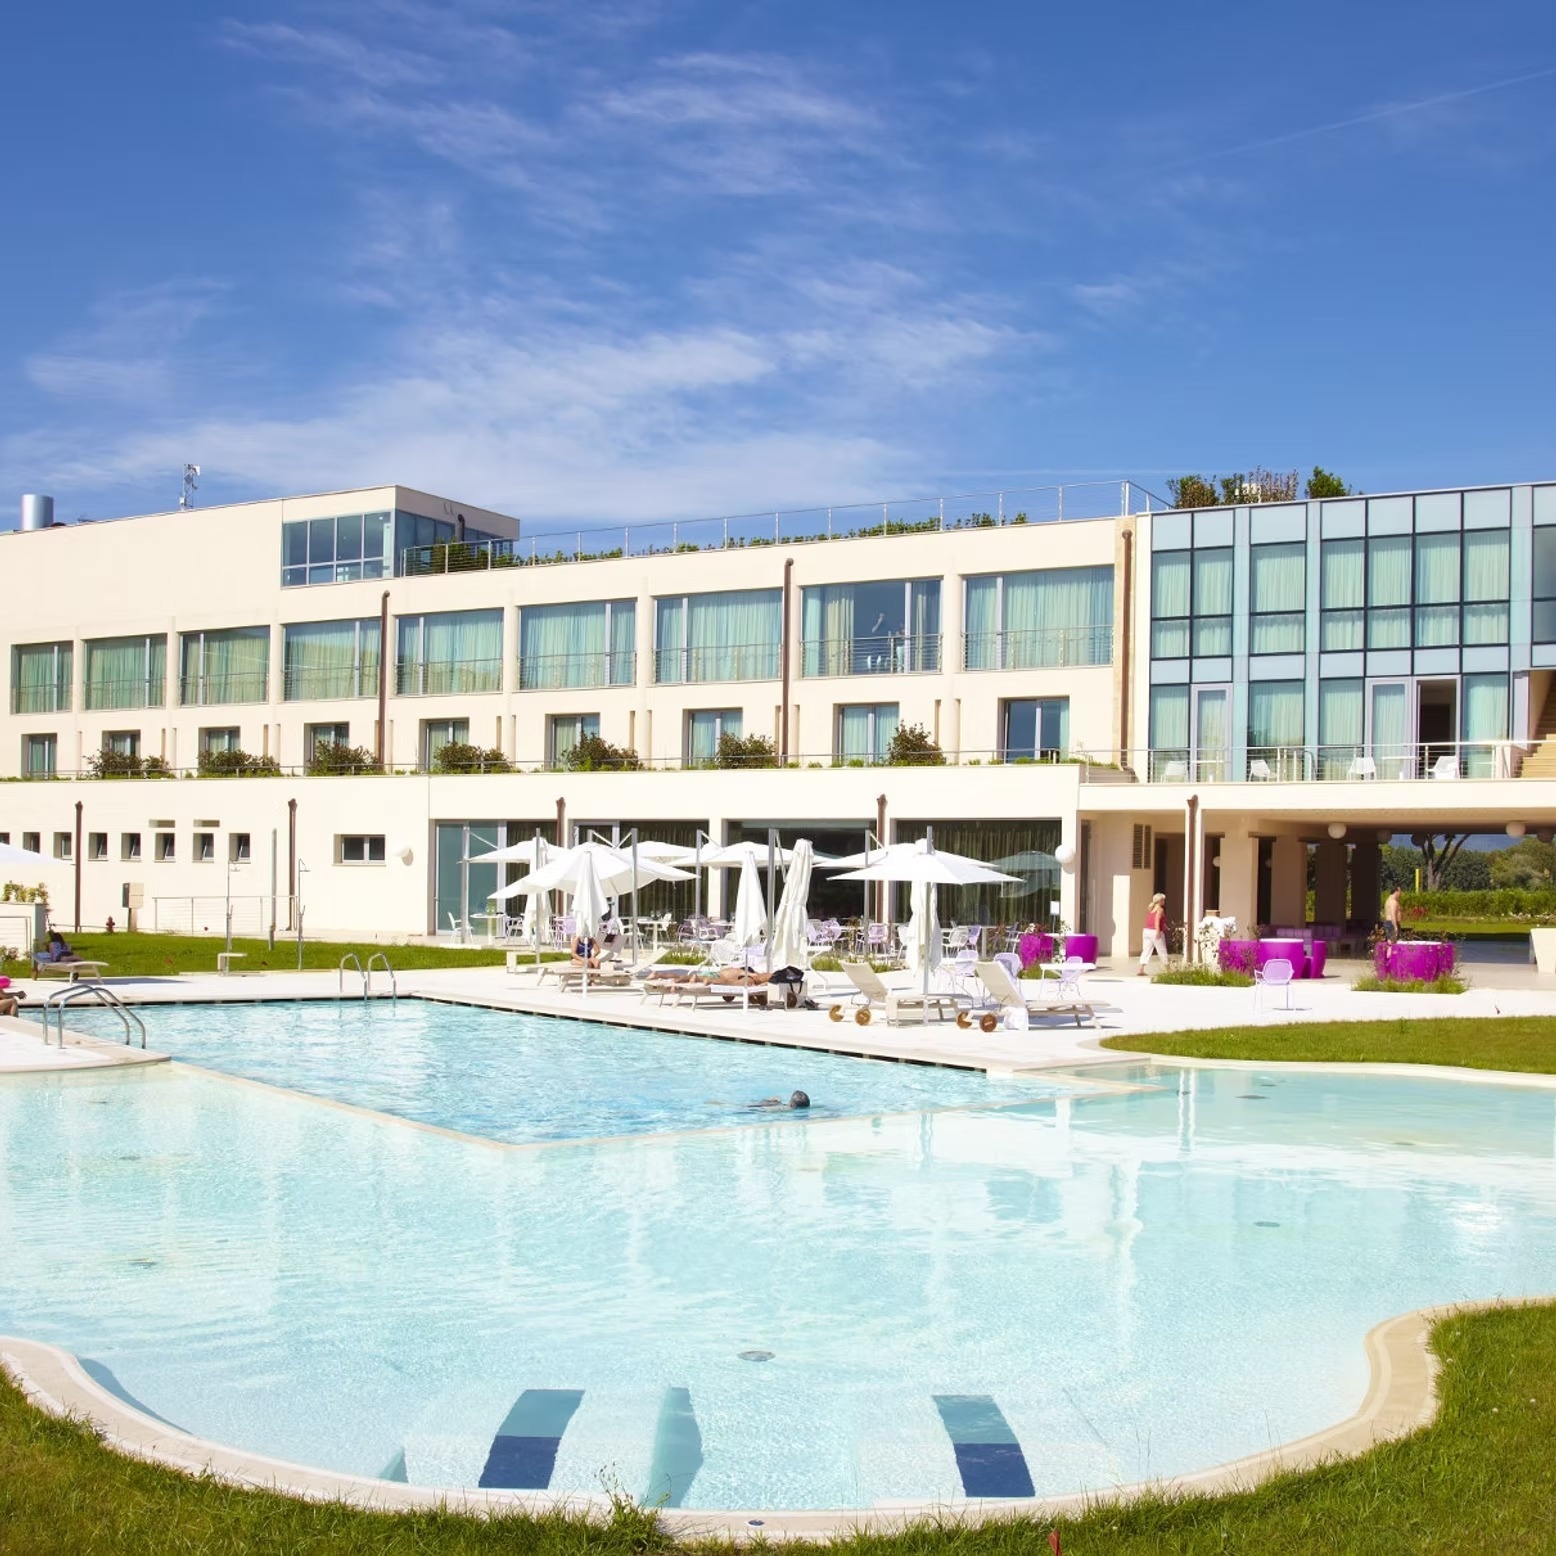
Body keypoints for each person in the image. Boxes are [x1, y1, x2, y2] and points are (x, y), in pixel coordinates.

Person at [1137, 893, 1170, 975]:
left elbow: (1159, 921)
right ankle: (1168, 970)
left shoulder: (1152, 909)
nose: (1164, 901)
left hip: (1146, 931)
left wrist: (1166, 927)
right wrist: (1158, 931)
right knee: (1162, 950)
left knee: (1146, 950)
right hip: (1154, 931)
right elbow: (1156, 921)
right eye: (1163, 900)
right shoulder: (1160, 909)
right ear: (1159, 901)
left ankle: (1140, 969)